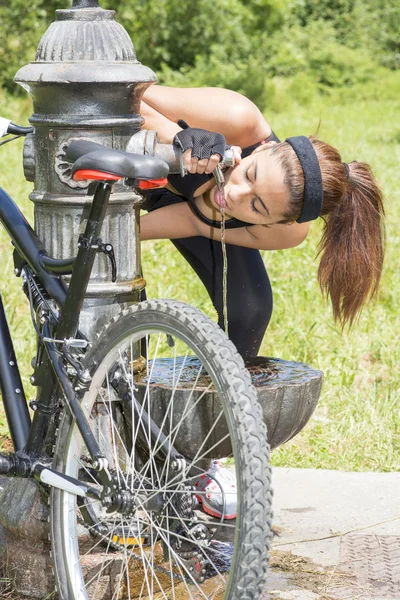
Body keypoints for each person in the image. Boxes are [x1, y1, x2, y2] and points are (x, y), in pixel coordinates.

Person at [139, 85, 385, 519]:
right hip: (132, 155)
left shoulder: (285, 231)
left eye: (255, 206)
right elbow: (126, 91)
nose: (236, 195)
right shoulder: (237, 116)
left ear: (277, 220)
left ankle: (197, 453)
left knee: (250, 308)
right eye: (249, 175)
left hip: (188, 204)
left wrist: (130, 232)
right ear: (263, 148)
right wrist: (175, 133)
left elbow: (197, 223)